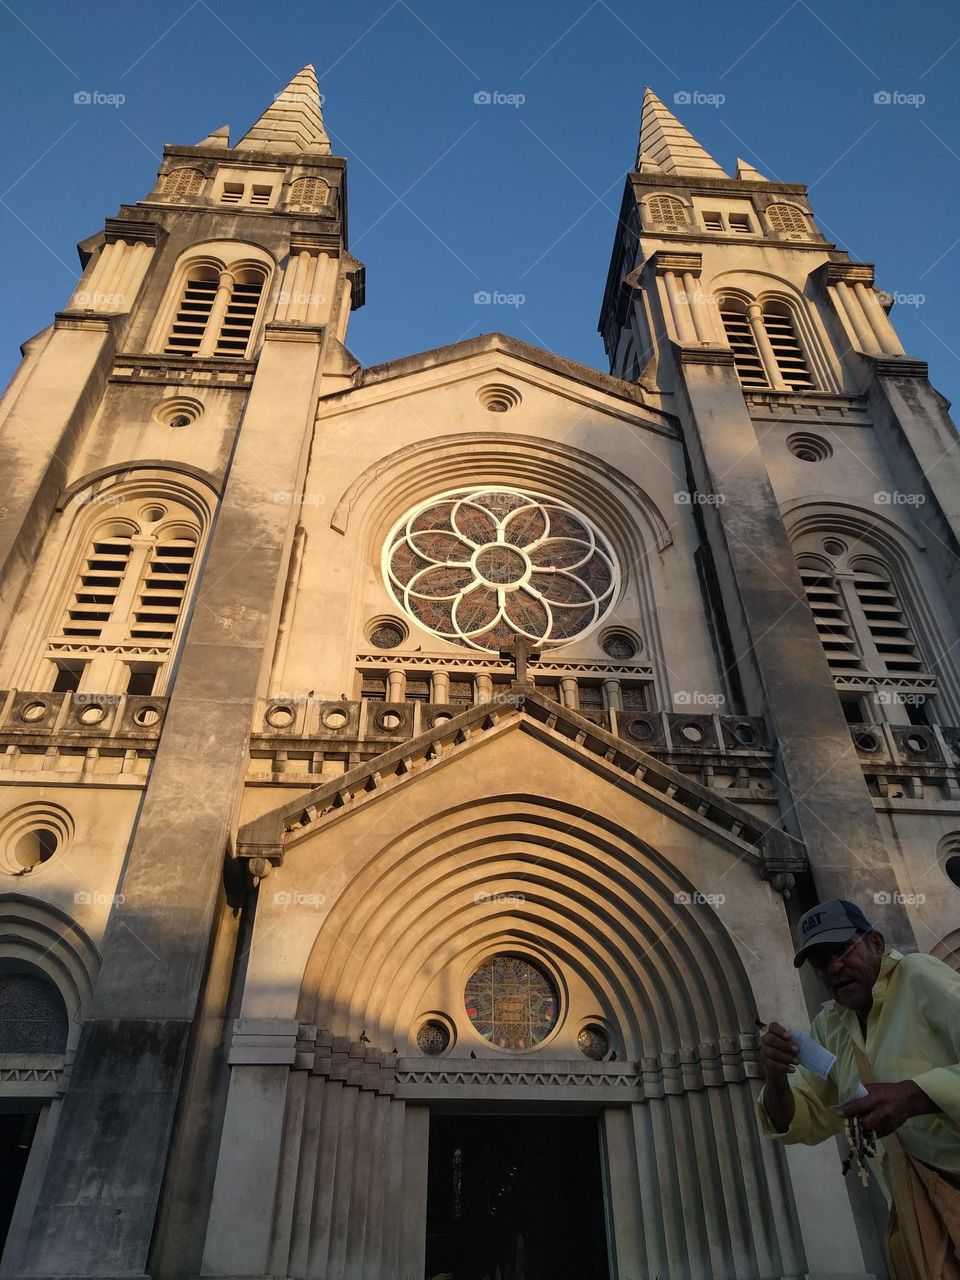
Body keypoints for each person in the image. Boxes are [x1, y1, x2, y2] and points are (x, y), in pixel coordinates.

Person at [757, 898, 960, 1278]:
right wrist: (775, 1074)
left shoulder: (918, 976)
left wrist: (912, 1096)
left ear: (877, 944)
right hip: (919, 1209)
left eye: (842, 949)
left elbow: (907, 1096)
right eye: (820, 960)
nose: (833, 967)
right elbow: (797, 1118)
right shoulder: (829, 1027)